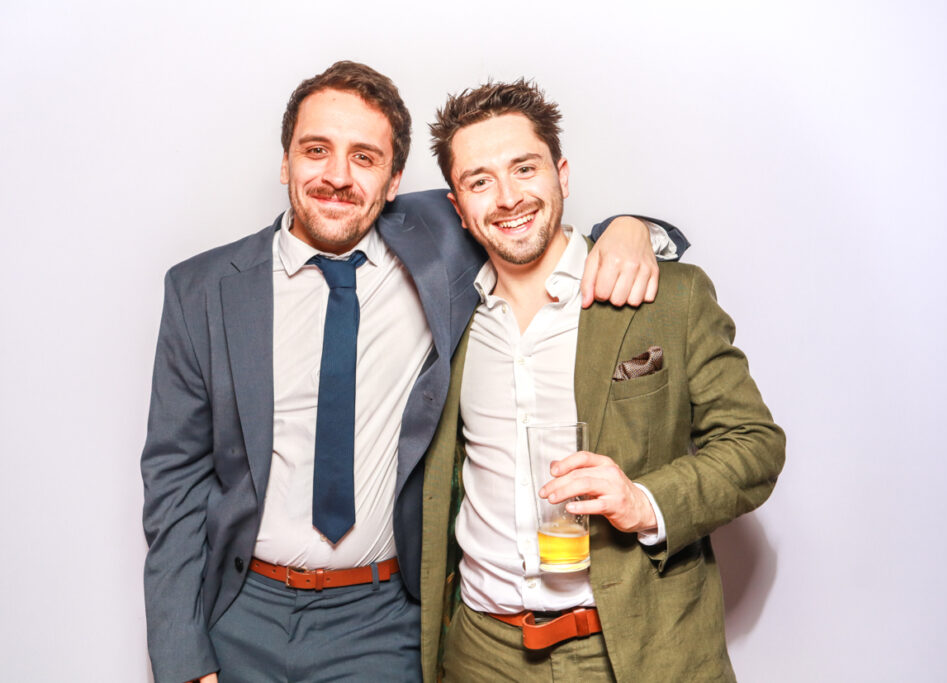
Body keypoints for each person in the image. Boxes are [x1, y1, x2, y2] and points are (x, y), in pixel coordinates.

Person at [140, 61, 683, 683]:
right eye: (316, 150)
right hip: (240, 611)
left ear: (396, 179)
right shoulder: (201, 289)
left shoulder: (441, 247)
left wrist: (633, 230)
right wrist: (184, 661)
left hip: (380, 619)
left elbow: (529, 223)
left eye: (365, 158)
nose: (337, 176)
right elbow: (174, 483)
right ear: (285, 161)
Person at [419, 80, 786, 682]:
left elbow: (756, 445)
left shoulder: (666, 295)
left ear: (562, 175)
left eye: (524, 168)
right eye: (479, 181)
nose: (507, 197)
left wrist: (642, 502)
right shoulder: (447, 316)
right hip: (480, 652)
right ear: (459, 206)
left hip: (630, 646)